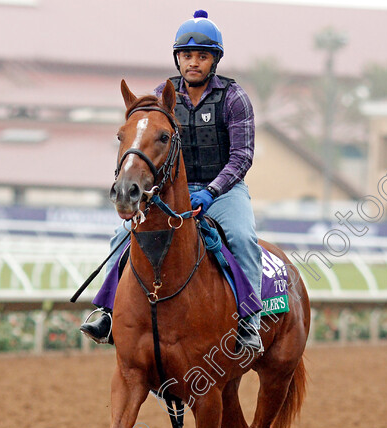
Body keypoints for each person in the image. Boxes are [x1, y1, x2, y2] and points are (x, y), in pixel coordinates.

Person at [81, 9, 263, 352]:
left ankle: (249, 323)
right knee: (121, 236)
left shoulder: (233, 98)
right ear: (178, 59)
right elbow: (142, 142)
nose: (193, 62)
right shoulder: (161, 96)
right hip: (167, 191)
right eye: (186, 55)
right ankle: (106, 312)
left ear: (215, 60)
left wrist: (211, 192)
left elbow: (242, 157)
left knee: (241, 238)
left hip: (223, 192)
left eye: (202, 56)